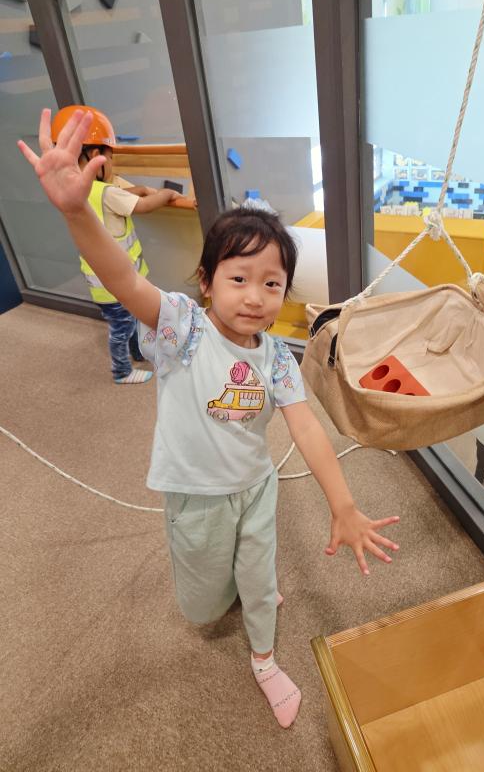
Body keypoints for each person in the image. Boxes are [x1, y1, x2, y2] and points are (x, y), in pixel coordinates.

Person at [18, 108, 401, 730]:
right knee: (202, 603)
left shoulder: (276, 355)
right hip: (195, 496)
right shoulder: (182, 328)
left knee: (259, 577)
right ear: (206, 282)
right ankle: (234, 594)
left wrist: (344, 504)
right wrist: (77, 212)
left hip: (255, 489)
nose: (255, 296)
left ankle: (264, 658)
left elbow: (305, 426)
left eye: (272, 284)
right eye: (239, 277)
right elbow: (121, 277)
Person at [51, 105, 184, 384]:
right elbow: (142, 206)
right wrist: (166, 194)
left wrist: (140, 189)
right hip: (118, 283)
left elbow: (115, 196)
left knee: (132, 319)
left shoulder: (80, 190)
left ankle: (138, 352)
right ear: (95, 156)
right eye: (110, 158)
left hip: (103, 282)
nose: (111, 165)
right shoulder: (106, 192)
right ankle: (122, 371)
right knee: (122, 327)